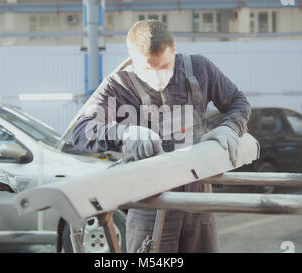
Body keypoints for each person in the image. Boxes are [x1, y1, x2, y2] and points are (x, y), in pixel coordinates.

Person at [71, 20, 251, 253]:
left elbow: (238, 101)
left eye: (164, 66)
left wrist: (230, 127)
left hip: (197, 199)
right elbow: (81, 130)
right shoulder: (118, 86)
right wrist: (125, 132)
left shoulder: (199, 69)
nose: (157, 76)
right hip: (149, 201)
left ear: (174, 50)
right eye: (148, 68)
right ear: (131, 56)